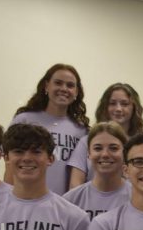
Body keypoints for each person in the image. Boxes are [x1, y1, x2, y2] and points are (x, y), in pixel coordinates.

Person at [9, 63, 89, 194]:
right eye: (58, 83)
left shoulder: (81, 130)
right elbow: (10, 165)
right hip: (27, 201)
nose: (64, 88)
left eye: (70, 85)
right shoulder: (24, 120)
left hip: (64, 206)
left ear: (76, 92)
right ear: (46, 86)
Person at [69, 83, 143, 188]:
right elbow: (75, 184)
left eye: (124, 104)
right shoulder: (86, 142)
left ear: (134, 108)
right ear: (105, 107)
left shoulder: (142, 145)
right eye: (113, 103)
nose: (118, 109)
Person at [63, 122, 131, 220]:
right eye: (98, 148)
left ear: (124, 153)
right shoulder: (71, 199)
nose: (105, 154)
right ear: (89, 154)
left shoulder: (137, 198)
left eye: (113, 148)